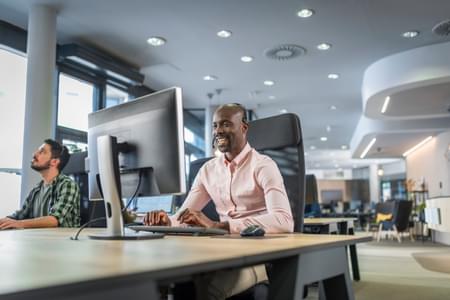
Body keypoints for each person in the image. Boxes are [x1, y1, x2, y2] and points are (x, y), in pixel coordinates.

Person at [145, 103, 293, 299]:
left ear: (243, 127)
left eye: (226, 124)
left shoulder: (264, 165)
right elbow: (184, 214)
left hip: (258, 254)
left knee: (208, 291)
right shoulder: (208, 170)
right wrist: (168, 222)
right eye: (215, 126)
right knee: (178, 281)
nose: (218, 131)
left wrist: (219, 225)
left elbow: (284, 220)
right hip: (221, 251)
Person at [0, 139, 80, 229]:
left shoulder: (68, 185)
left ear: (54, 162)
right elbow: (19, 216)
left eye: (42, 152)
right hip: (40, 240)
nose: (34, 154)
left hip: (61, 241)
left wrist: (20, 223)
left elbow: (55, 219)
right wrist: (4, 221)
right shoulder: (36, 190)